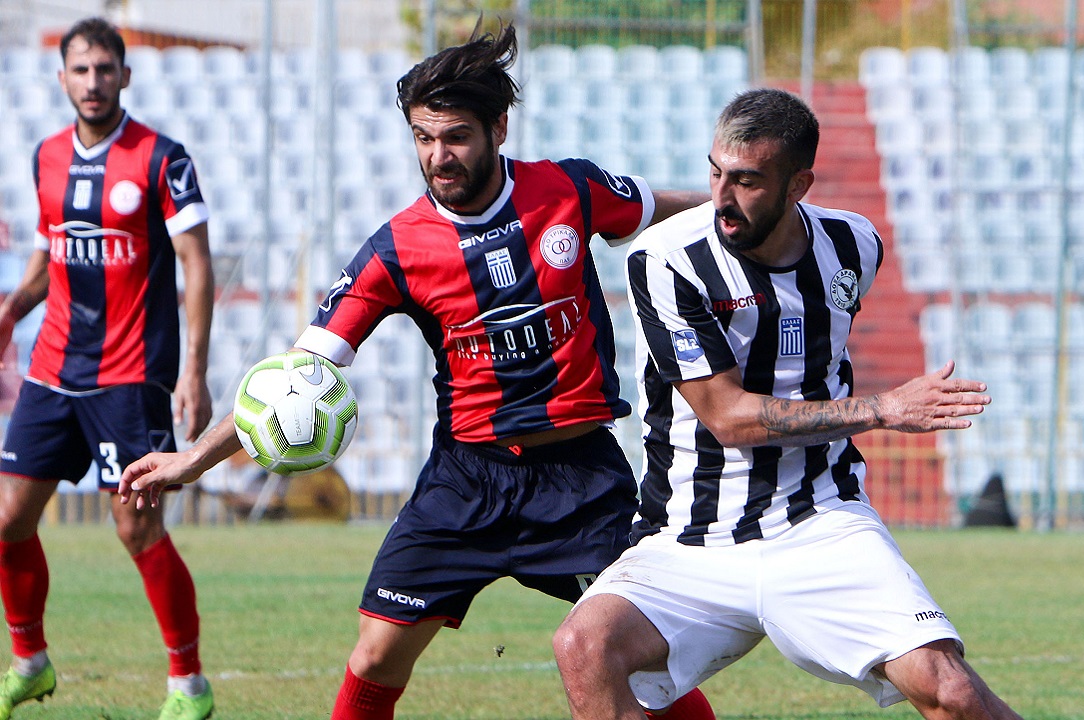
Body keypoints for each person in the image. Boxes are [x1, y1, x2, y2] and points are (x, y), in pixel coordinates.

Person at [120, 24, 716, 720]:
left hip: (580, 480)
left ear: (498, 127)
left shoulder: (570, 190)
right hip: (466, 481)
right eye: (423, 137)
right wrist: (193, 459)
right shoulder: (396, 249)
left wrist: (745, 209)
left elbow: (673, 209)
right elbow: (295, 376)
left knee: (647, 661)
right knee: (375, 654)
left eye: (456, 135)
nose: (439, 155)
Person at [552, 88, 1024, 720]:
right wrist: (882, 409)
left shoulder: (854, 245)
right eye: (716, 172)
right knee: (584, 645)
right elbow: (727, 417)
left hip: (819, 521)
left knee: (953, 691)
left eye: (747, 181)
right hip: (691, 538)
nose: (722, 196)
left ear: (799, 184)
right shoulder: (666, 260)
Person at [0, 17, 215, 720]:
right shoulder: (46, 157)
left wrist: (194, 373)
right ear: (62, 78)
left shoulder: (161, 158)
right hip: (53, 365)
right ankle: (29, 660)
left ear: (125, 75)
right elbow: (48, 255)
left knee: (136, 528)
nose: (93, 82)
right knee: (7, 517)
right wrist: (11, 310)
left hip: (130, 374)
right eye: (80, 70)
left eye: (104, 69)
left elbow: (195, 263)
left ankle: (188, 684)